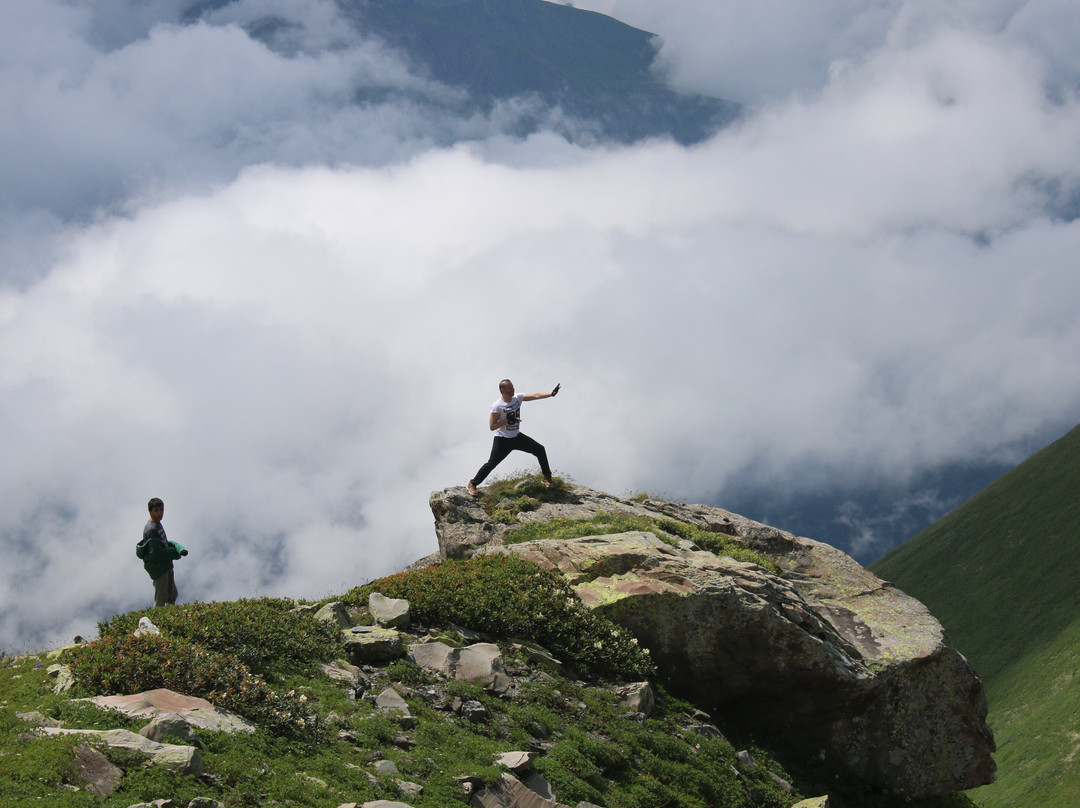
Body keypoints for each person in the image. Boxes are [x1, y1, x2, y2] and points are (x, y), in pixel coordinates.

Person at [467, 379, 561, 496]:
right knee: (491, 464)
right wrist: (507, 420)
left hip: (516, 437)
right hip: (502, 440)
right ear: (503, 390)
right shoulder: (497, 406)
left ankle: (546, 477)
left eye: (513, 387)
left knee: (540, 449)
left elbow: (536, 395)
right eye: (510, 388)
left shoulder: (517, 397)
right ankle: (472, 484)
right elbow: (492, 426)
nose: (513, 389)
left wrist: (551, 394)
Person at [135, 497, 188, 608]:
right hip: (159, 569)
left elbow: (163, 544)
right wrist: (173, 552)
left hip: (166, 565)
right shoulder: (151, 529)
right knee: (161, 598)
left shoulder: (157, 524)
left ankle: (170, 618)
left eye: (161, 510)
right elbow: (155, 554)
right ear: (150, 511)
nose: (160, 513)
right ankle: (158, 621)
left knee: (171, 594)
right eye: (156, 510)